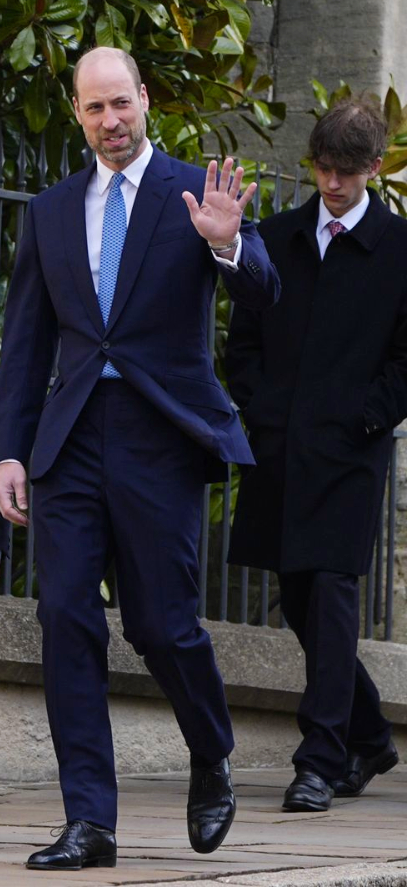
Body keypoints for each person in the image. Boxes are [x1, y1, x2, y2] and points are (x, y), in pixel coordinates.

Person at [0, 47, 280, 870]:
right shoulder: (50, 210)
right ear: (77, 113)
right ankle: (91, 820)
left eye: (121, 104)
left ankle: (210, 749)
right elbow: (27, 347)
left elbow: (267, 292)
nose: (111, 122)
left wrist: (229, 247)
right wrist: (10, 452)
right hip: (73, 434)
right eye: (94, 109)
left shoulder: (194, 188)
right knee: (65, 617)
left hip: (161, 433)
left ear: (145, 100)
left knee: (162, 624)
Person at [226, 98, 404, 813]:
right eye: (324, 170)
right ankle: (369, 736)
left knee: (331, 596)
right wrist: (264, 413)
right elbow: (242, 339)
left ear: (374, 168)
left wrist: (364, 419)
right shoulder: (276, 234)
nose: (332, 185)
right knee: (297, 599)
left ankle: (319, 759)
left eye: (346, 173)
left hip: (351, 454)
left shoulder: (399, 248)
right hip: (279, 449)